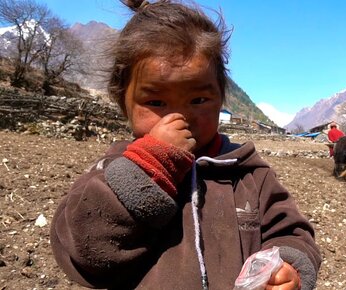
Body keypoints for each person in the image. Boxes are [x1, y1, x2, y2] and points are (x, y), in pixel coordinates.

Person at [50, 1, 321, 289]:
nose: (180, 118)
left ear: (220, 99)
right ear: (123, 102)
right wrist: (149, 167)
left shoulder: (249, 175)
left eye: (198, 100)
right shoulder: (112, 173)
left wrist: (289, 266)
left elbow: (291, 233)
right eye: (155, 102)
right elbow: (82, 255)